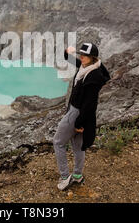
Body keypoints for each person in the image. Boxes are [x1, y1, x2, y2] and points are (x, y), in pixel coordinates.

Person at [53, 42, 111, 191]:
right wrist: (67, 53)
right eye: (81, 54)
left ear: (92, 57)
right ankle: (77, 176)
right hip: (81, 114)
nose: (81, 57)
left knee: (58, 142)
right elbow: (72, 60)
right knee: (78, 146)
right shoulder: (86, 67)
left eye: (85, 55)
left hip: (77, 113)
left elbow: (90, 104)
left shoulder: (93, 76)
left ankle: (65, 177)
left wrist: (79, 123)